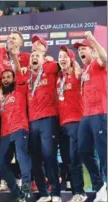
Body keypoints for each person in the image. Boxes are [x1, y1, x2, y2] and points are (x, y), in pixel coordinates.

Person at [0, 48, 32, 202]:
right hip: (4, 133)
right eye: (4, 78)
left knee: (22, 157)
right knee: (2, 163)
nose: (6, 79)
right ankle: (17, 193)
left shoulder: (20, 89)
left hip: (20, 128)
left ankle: (27, 186)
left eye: (9, 77)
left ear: (14, 79)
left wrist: (14, 56)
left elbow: (17, 69)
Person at [74, 31, 107, 202]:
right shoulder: (85, 69)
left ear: (92, 51)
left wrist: (93, 40)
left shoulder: (97, 63)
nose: (80, 52)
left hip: (100, 113)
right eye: (79, 50)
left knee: (104, 152)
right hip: (85, 116)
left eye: (83, 49)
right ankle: (99, 186)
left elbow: (106, 58)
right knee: (84, 151)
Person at [27, 50, 61, 202]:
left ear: (43, 60)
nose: (34, 57)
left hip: (48, 118)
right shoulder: (27, 78)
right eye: (32, 56)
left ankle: (55, 192)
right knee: (35, 159)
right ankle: (43, 193)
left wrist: (51, 60)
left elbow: (65, 65)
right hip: (32, 122)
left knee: (49, 156)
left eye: (37, 56)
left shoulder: (50, 68)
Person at [56, 46, 88, 202]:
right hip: (61, 125)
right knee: (67, 160)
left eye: (65, 56)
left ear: (71, 59)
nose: (62, 59)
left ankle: (80, 192)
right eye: (60, 56)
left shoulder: (77, 74)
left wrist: (75, 66)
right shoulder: (58, 78)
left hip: (76, 122)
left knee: (75, 159)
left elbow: (80, 71)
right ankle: (75, 191)